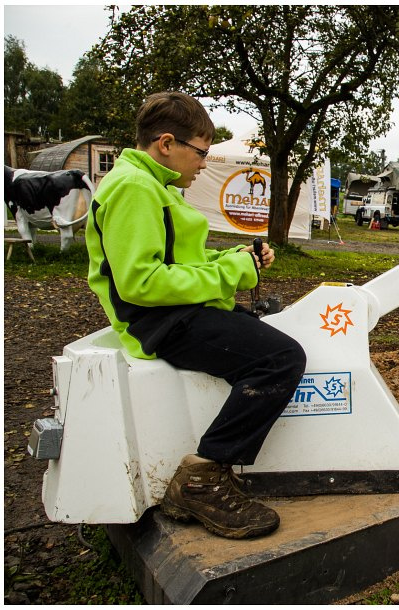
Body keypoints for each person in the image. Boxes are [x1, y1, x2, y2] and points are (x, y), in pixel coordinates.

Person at [85, 92, 306, 539]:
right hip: (159, 322)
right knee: (280, 359)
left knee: (268, 338)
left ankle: (209, 475)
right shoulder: (134, 189)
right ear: (167, 143)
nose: (204, 164)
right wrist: (230, 273)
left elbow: (178, 259)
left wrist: (232, 258)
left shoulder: (152, 185)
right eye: (201, 152)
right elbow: (141, 283)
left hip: (175, 313)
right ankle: (202, 478)